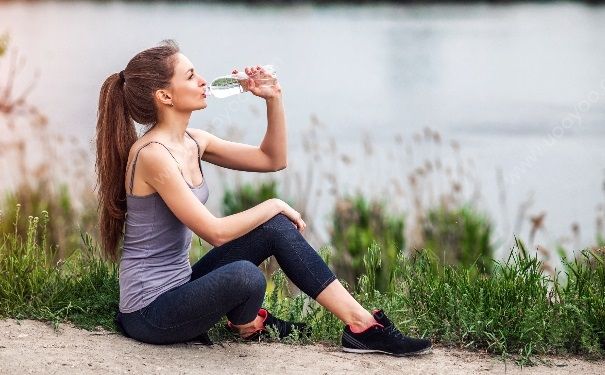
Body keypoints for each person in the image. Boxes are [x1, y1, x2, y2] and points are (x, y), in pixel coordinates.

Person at [94, 40, 432, 357]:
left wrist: (273, 98)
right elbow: (215, 232)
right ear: (165, 96)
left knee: (276, 228)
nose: (202, 80)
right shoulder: (153, 155)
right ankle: (247, 322)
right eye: (191, 75)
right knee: (246, 276)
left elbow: (272, 159)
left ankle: (361, 325)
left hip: (181, 287)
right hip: (149, 313)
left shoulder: (194, 142)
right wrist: (272, 204)